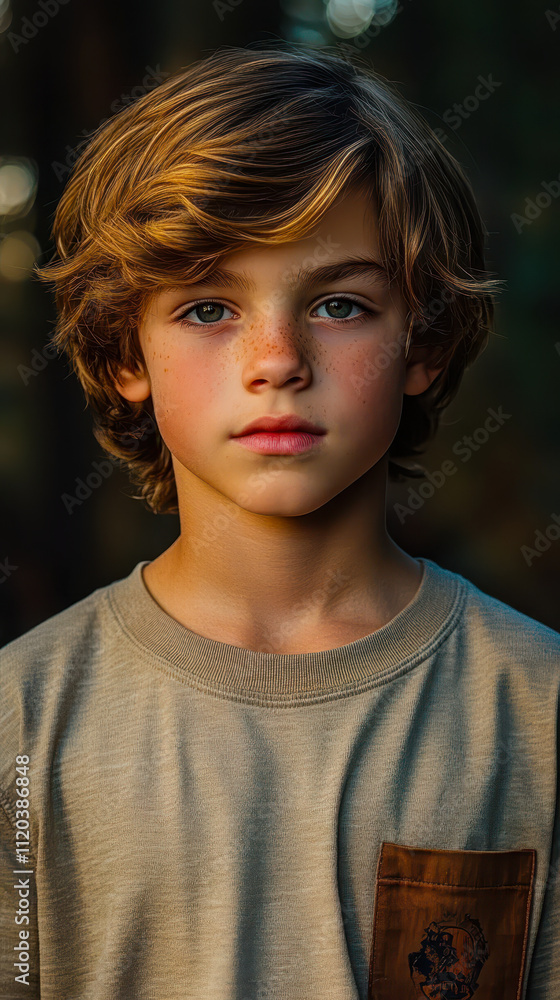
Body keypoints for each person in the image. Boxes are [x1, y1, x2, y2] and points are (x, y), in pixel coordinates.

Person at [0, 42, 558, 1000]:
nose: (276, 359)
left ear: (422, 339)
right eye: (210, 308)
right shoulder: (21, 720)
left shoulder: (538, 713)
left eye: (340, 304)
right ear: (123, 350)